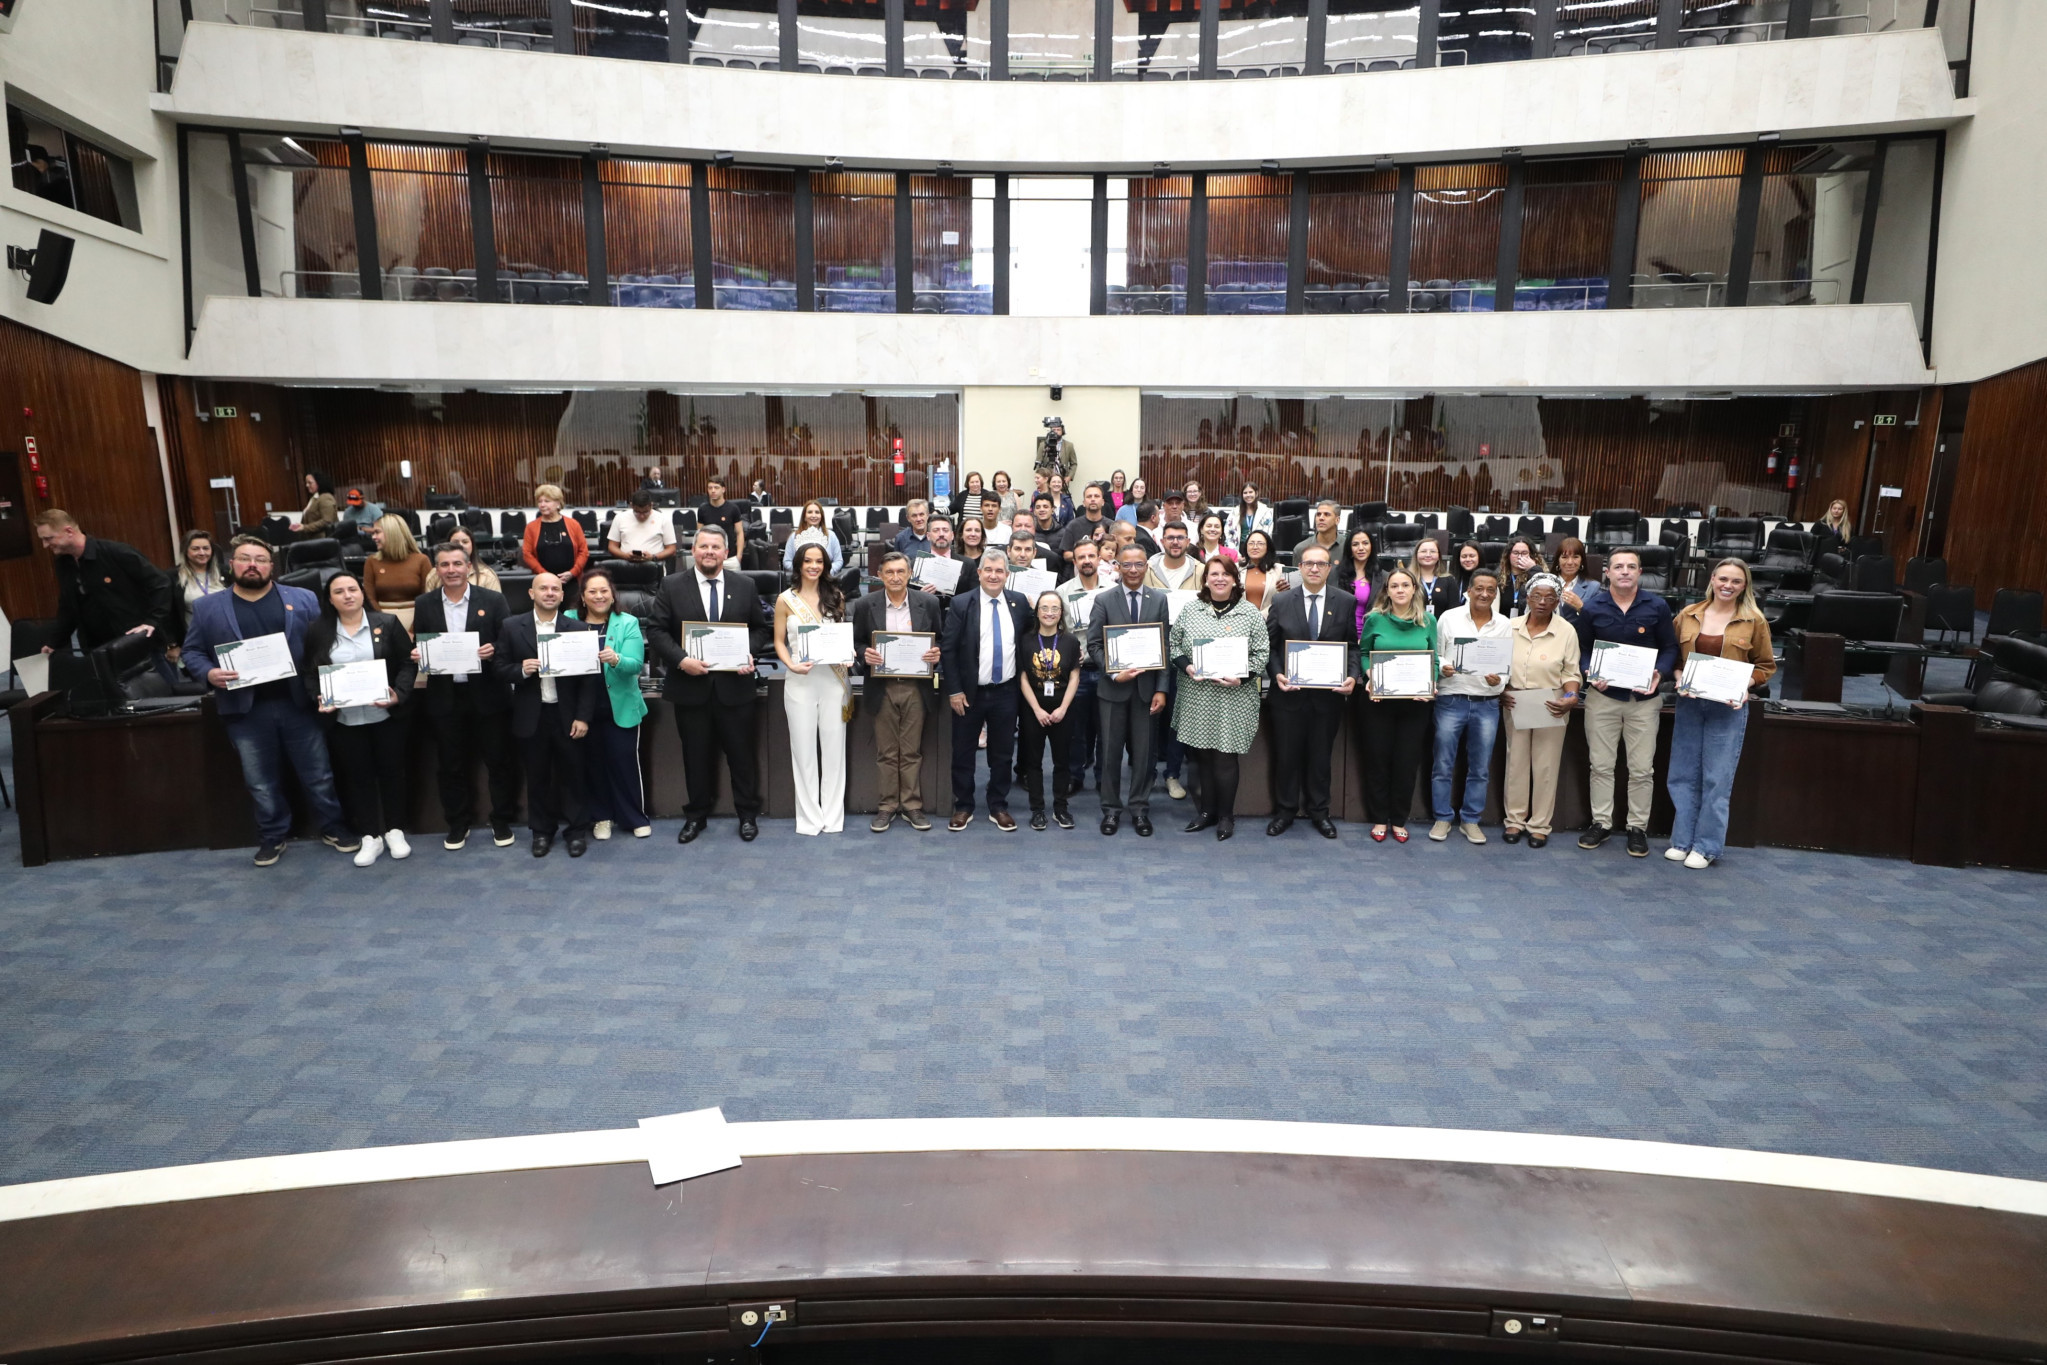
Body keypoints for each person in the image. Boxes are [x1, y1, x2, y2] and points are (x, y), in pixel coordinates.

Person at [181, 535, 351, 867]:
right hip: (246, 709)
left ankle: (333, 827)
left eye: (260, 559)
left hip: (298, 703)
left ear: (271, 566)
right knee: (260, 781)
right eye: (245, 558)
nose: (252, 565)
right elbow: (191, 652)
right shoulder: (208, 607)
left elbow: (325, 641)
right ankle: (273, 837)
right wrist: (209, 673)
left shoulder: (302, 599)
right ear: (232, 564)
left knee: (318, 774)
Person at [643, 524, 770, 843]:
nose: (710, 552)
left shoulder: (744, 585)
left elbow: (759, 629)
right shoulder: (672, 585)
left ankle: (747, 814)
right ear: (693, 551)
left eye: (716, 547)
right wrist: (681, 660)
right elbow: (657, 632)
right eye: (704, 547)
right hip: (690, 689)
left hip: (735, 689)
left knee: (741, 756)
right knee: (695, 757)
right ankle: (696, 816)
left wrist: (747, 653)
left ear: (726, 553)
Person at [1666, 558, 1776, 868]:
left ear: (1745, 586)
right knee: (1682, 775)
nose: (1728, 585)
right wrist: (1678, 679)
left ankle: (1706, 846)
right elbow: (1674, 658)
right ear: (1712, 579)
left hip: (1727, 707)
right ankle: (1682, 840)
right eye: (1723, 578)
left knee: (1716, 778)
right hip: (1690, 703)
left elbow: (1766, 666)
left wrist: (1746, 686)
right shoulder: (1687, 615)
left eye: (1736, 581)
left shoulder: (1754, 621)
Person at [301, 571, 416, 866]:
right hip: (344, 720)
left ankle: (394, 830)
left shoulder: (386, 623)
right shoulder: (318, 630)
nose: (348, 595)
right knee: (357, 777)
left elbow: (406, 662)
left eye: (353, 589)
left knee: (393, 773)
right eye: (339, 591)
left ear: (363, 593)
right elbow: (310, 673)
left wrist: (399, 694)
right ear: (330, 599)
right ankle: (369, 836)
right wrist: (319, 698)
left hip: (386, 715)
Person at [411, 541, 517, 850]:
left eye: (457, 564)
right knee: (450, 765)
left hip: (488, 695)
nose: (451, 570)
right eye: (444, 565)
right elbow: (423, 642)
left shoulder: (494, 600)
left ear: (469, 566)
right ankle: (458, 823)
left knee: (498, 761)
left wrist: (495, 649)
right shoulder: (424, 603)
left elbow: (508, 644)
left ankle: (501, 820)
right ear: (436, 569)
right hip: (445, 696)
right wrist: (421, 654)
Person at [1574, 546, 1678, 857]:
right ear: (1607, 573)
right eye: (1618, 566)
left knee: (1642, 769)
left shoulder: (1657, 606)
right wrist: (1588, 670)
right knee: (1601, 765)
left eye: (1631, 566)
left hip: (1643, 700)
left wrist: (1659, 674)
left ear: (1639, 572)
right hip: (1602, 698)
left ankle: (1637, 827)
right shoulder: (1593, 608)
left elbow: (1670, 648)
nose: (1624, 571)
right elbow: (1581, 649)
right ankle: (1602, 822)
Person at [496, 572, 597, 857]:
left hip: (568, 716)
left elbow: (589, 679)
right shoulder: (512, 626)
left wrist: (583, 717)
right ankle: (542, 832)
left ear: (563, 596)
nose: (550, 593)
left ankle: (576, 831)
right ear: (531, 593)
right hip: (532, 716)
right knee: (538, 778)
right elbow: (499, 668)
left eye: (556, 589)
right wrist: (520, 670)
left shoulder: (578, 628)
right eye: (544, 588)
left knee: (573, 776)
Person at [1170, 556, 1270, 840]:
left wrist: (1244, 676)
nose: (1219, 579)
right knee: (1201, 757)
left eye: (1225, 574)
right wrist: (1187, 666)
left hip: (1233, 697)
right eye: (1214, 574)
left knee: (1225, 757)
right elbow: (1174, 643)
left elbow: (1262, 653)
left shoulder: (1249, 613)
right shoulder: (1191, 610)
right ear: (1206, 579)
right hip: (1197, 695)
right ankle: (1206, 811)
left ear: (1234, 579)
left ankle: (1226, 816)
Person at [1265, 544, 1355, 838]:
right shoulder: (1280, 601)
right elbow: (1271, 646)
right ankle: (1285, 811)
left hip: (1327, 699)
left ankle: (1320, 812)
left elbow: (1352, 646)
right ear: (1299, 568)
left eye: (1321, 564)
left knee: (1320, 759)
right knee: (1287, 758)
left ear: (1330, 569)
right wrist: (1277, 673)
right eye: (1309, 563)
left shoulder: (1345, 601)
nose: (1315, 568)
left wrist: (1353, 676)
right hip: (1288, 696)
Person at [852, 552, 945, 832]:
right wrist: (862, 654)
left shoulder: (928, 603)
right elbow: (855, 642)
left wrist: (935, 653)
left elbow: (939, 639)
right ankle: (887, 806)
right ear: (880, 575)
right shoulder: (865, 604)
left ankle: (912, 806)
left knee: (912, 751)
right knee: (887, 752)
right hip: (882, 688)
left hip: (917, 687)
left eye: (900, 572)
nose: (895, 577)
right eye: (889, 572)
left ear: (909, 575)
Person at [940, 552, 1032, 832]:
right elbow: (949, 649)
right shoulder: (961, 603)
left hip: (1006, 691)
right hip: (969, 693)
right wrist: (954, 690)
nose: (994, 575)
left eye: (999, 571)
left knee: (1003, 753)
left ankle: (998, 805)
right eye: (988, 570)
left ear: (1007, 574)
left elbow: (1027, 645)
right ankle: (964, 805)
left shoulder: (1019, 604)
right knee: (963, 752)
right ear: (979, 573)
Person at [1088, 543, 1170, 837]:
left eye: (1138, 565)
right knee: (1109, 754)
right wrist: (1113, 672)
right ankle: (1110, 810)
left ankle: (1139, 809)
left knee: (1145, 754)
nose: (1133, 570)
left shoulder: (1159, 600)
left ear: (1146, 567)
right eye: (1127, 565)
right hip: (1113, 691)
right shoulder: (1104, 600)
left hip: (1147, 692)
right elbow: (1094, 645)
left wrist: (1162, 689)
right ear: (1117, 567)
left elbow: (1164, 646)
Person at [1498, 575, 1582, 848]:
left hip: (1551, 703)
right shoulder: (1508, 627)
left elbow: (1571, 671)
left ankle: (1539, 825)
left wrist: (1570, 697)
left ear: (1558, 601)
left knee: (1546, 766)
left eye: (1549, 597)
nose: (1543, 602)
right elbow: (1496, 664)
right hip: (1515, 701)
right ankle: (1514, 820)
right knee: (1516, 763)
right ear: (1527, 598)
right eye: (1537, 596)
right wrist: (1499, 689)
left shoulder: (1566, 630)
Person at [773, 542, 850, 837]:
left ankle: (832, 816)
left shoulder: (836, 596)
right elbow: (779, 640)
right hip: (800, 681)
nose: (814, 566)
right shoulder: (785, 599)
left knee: (834, 751)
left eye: (819, 561)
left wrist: (847, 654)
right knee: (803, 751)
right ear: (799, 565)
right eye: (808, 561)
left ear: (826, 565)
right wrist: (790, 665)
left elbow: (841, 635)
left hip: (832, 680)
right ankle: (808, 817)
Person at [568, 567, 651, 841]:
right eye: (592, 591)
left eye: (604, 591)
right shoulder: (567, 620)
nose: (599, 596)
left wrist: (615, 659)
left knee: (623, 762)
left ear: (613, 595)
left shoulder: (626, 622)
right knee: (592, 764)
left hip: (620, 704)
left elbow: (635, 665)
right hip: (582, 709)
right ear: (582, 597)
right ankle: (601, 817)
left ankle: (633, 817)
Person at [1356, 566, 1438, 843]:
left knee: (1406, 762)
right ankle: (1380, 818)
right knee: (1378, 761)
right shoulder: (1375, 620)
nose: (1400, 590)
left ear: (1414, 589)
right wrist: (1370, 677)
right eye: (1394, 586)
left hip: (1415, 704)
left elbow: (1434, 659)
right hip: (1379, 701)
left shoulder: (1428, 621)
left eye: (1405, 585)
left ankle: (1399, 819)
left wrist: (1431, 684)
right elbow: (1365, 653)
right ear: (1387, 591)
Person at [1430, 567, 1510, 845]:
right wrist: (1443, 668)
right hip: (1451, 699)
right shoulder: (1449, 618)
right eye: (1479, 588)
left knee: (1480, 768)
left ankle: (1470, 820)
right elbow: (1436, 653)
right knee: (1443, 764)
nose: (1485, 594)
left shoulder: (1503, 624)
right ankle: (1442, 817)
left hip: (1487, 703)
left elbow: (1506, 667)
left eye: (1491, 590)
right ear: (1469, 591)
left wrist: (1498, 681)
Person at [35, 509, 172, 654]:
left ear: (69, 531)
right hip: (96, 648)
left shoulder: (116, 552)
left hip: (136, 642)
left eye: (48, 538)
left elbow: (161, 583)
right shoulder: (63, 564)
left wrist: (152, 621)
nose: (45, 545)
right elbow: (68, 607)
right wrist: (55, 643)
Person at [1016, 590, 1082, 831]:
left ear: (1061, 613)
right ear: (1037, 611)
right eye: (1044, 608)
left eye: (1055, 608)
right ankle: (1037, 810)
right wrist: (1037, 709)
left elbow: (1075, 676)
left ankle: (1061, 808)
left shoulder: (1071, 641)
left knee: (1062, 761)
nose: (1049, 613)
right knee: (1033, 762)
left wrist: (1063, 708)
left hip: (1062, 709)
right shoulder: (1025, 640)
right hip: (1034, 708)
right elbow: (1023, 677)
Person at [1055, 538, 1107, 793]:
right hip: (1077, 671)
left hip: (1108, 670)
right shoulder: (1063, 592)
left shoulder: (1112, 589)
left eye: (1091, 556)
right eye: (1081, 557)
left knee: (1106, 728)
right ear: (1074, 562)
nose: (1087, 561)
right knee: (1074, 729)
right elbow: (1057, 631)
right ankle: (1075, 776)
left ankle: (1102, 778)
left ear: (1099, 558)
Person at [362, 514, 432, 632]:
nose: (373, 537)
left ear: (392, 533)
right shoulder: (371, 562)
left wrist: (413, 631)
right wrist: (385, 625)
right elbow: (369, 598)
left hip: (418, 622)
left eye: (377, 532)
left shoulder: (421, 560)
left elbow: (429, 599)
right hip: (382, 624)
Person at [522, 484, 590, 589]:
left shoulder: (573, 524)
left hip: (572, 582)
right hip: (543, 583)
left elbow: (583, 551)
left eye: (547, 501)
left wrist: (573, 572)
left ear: (558, 503)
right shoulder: (531, 527)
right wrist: (545, 575)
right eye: (540, 501)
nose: (542, 505)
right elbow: (527, 554)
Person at [173, 527, 226, 644]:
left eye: (206, 548)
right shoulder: (173, 577)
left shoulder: (225, 572)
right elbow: (169, 614)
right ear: (185, 551)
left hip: (226, 637)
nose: (202, 553)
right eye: (195, 549)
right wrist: (173, 644)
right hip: (194, 641)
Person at [607, 493, 679, 565]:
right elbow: (612, 546)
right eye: (637, 512)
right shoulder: (620, 518)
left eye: (645, 512)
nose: (642, 516)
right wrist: (625, 556)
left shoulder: (663, 519)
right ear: (632, 506)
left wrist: (653, 557)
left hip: (654, 566)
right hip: (626, 565)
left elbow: (671, 549)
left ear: (651, 505)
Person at [782, 499, 845, 574]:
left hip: (826, 579)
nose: (814, 515)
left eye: (817, 512)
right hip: (802, 580)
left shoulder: (831, 535)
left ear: (821, 516)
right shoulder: (794, 536)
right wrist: (803, 571)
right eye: (810, 512)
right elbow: (787, 561)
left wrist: (825, 572)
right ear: (804, 517)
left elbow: (838, 561)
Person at [1333, 527, 1376, 634]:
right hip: (1340, 635)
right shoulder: (1334, 573)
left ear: (1371, 546)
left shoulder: (1381, 577)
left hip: (1367, 636)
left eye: (1365, 543)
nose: (1361, 548)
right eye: (1355, 544)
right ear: (1349, 549)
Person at [1058, 481, 1112, 564]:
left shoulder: (1112, 525)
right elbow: (1066, 554)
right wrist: (1085, 555)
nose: (1093, 499)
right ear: (1083, 503)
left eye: (1096, 496)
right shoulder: (1073, 525)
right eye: (1089, 496)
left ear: (1103, 502)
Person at [694, 476, 748, 560]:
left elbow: (739, 533)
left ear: (723, 489)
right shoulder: (702, 509)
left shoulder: (733, 508)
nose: (713, 491)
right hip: (709, 556)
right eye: (710, 488)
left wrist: (739, 555)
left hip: (730, 557)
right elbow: (699, 533)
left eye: (716, 488)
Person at [1238, 529, 1288, 612]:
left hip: (1270, 619)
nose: (1255, 547)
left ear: (1268, 547)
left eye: (1260, 544)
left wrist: (1261, 617)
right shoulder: (1237, 569)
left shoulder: (1280, 570)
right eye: (1251, 543)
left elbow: (1283, 599)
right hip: (1241, 621)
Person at [1410, 536, 1457, 618]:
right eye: (1423, 551)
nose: (1428, 555)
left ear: (1439, 555)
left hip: (1441, 628)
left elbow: (1454, 611)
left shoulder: (1449, 580)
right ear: (1416, 555)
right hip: (1413, 627)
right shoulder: (1408, 579)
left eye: (1433, 551)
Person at [1500, 537, 1548, 617]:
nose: (1519, 557)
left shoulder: (1539, 573)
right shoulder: (1499, 576)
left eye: (1524, 553)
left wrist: (1533, 569)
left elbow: (1543, 594)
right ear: (1508, 555)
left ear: (1531, 555)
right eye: (1515, 553)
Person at [1146, 521, 1200, 592]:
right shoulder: (1146, 570)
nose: (1175, 542)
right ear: (1162, 542)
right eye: (1170, 538)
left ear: (1187, 542)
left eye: (1180, 538)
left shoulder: (1200, 571)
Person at [447, 526, 502, 593]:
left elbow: (496, 602)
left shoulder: (487, 576)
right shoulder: (436, 574)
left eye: (465, 542)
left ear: (472, 545)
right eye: (455, 542)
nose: (460, 546)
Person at [1554, 537, 1597, 618]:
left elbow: (1599, 620)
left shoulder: (1593, 588)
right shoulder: (1546, 583)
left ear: (1582, 560)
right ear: (1558, 560)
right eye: (1564, 557)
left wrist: (1581, 607)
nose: (1570, 562)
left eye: (1575, 557)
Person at [1293, 499, 1344, 565]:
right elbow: (1297, 575)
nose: (1321, 518)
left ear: (1337, 520)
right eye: (1318, 514)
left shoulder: (1348, 547)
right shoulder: (1301, 548)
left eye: (1327, 514)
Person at [1225, 482, 1274, 550]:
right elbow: (1228, 532)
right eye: (1245, 493)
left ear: (1256, 493)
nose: (1248, 495)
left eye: (1251, 492)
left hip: (1257, 548)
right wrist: (1235, 553)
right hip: (1238, 549)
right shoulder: (1235, 512)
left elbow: (1267, 534)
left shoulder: (1265, 511)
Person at [290, 471, 339, 537]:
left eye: (310, 483)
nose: (307, 485)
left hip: (324, 540)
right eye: (306, 483)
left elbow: (327, 521)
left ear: (319, 482)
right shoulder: (314, 497)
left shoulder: (325, 498)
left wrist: (305, 527)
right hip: (313, 539)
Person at [1035, 419, 1077, 484]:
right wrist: (1040, 478)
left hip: (1062, 480)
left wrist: (1069, 477)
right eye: (1054, 430)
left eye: (1058, 430)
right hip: (1046, 480)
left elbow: (1074, 464)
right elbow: (1038, 463)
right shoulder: (1043, 445)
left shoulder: (1069, 445)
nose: (1056, 432)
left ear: (1062, 431)